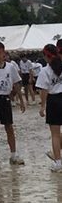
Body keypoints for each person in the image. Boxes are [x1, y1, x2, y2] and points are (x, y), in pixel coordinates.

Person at [37, 43, 62, 171]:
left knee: (55, 134)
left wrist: (42, 106)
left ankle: (58, 162)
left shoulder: (45, 71)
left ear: (46, 56)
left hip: (54, 101)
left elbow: (44, 90)